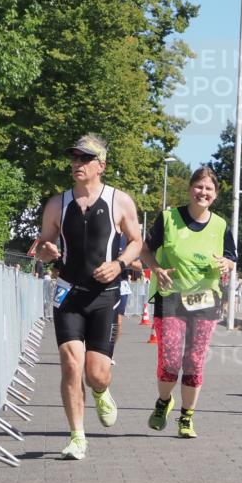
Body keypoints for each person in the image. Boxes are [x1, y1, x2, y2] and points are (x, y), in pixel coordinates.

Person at [36, 134, 143, 460]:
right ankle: (77, 436)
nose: (77, 164)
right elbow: (41, 248)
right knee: (70, 364)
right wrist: (47, 250)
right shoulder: (58, 204)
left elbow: (137, 241)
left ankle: (100, 389)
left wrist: (119, 263)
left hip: (105, 296)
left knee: (95, 372)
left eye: (84, 159)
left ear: (102, 165)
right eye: (74, 158)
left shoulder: (119, 201)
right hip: (68, 293)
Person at [140, 166, 237, 439]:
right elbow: (145, 250)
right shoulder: (169, 218)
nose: (202, 192)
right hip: (170, 298)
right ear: (189, 189)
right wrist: (156, 269)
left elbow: (231, 259)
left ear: (215, 195)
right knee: (171, 359)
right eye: (198, 186)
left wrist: (226, 264)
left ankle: (186, 417)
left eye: (208, 189)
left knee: (194, 361)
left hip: (206, 300)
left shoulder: (220, 225)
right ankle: (163, 402)